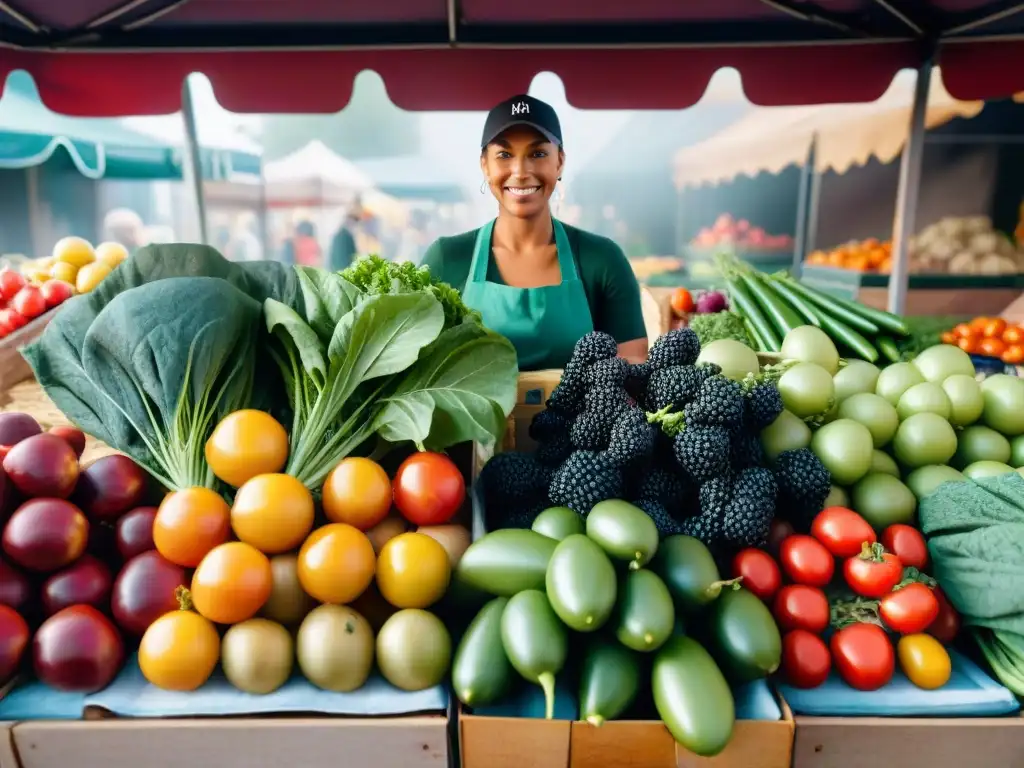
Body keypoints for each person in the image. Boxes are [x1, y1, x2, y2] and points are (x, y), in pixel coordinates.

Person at [421, 95, 647, 370]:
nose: (520, 171)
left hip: (580, 415)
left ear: (559, 162)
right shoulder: (448, 259)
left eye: (538, 154)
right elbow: (418, 368)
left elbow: (633, 366)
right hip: (473, 416)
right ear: (485, 165)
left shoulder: (601, 259)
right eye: (504, 155)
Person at [328, 207, 361, 271]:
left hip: (338, 270)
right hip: (344, 269)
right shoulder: (345, 236)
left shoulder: (340, 234)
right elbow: (349, 256)